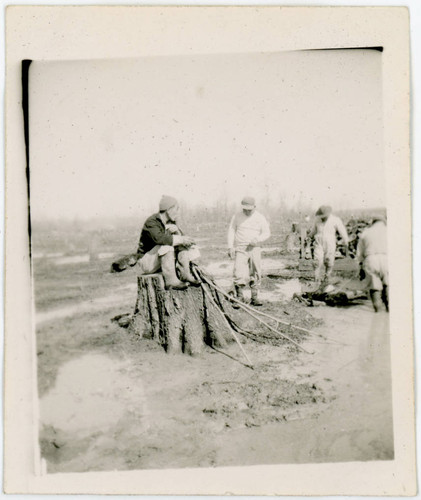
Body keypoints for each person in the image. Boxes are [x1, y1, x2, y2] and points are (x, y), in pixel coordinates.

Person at [135, 195, 200, 289]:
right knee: (167, 246)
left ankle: (185, 274)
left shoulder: (169, 222)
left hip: (159, 261)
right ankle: (171, 281)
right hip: (147, 262)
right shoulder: (152, 222)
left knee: (180, 243)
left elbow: (180, 240)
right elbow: (159, 239)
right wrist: (180, 239)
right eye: (176, 209)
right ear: (168, 209)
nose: (177, 213)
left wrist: (177, 231)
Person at [227, 196, 271, 306]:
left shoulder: (260, 217)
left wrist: (257, 239)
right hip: (240, 247)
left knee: (256, 271)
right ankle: (240, 297)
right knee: (238, 271)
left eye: (249, 209)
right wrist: (230, 246)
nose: (247, 211)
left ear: (254, 207)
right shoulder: (237, 216)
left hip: (254, 248)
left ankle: (254, 297)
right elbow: (231, 231)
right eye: (245, 209)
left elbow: (267, 233)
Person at [309, 205, 349, 292]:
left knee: (329, 260)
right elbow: (313, 230)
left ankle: (327, 277)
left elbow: (342, 230)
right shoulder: (317, 220)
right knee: (317, 260)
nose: (323, 218)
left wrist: (345, 240)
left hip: (330, 242)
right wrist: (310, 236)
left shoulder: (335, 220)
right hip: (319, 242)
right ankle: (316, 279)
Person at [356, 215, 388, 312]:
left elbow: (359, 253)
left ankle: (377, 313)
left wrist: (360, 267)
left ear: (373, 223)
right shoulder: (389, 230)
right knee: (388, 285)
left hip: (371, 259)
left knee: (375, 287)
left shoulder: (366, 232)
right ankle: (389, 313)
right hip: (387, 258)